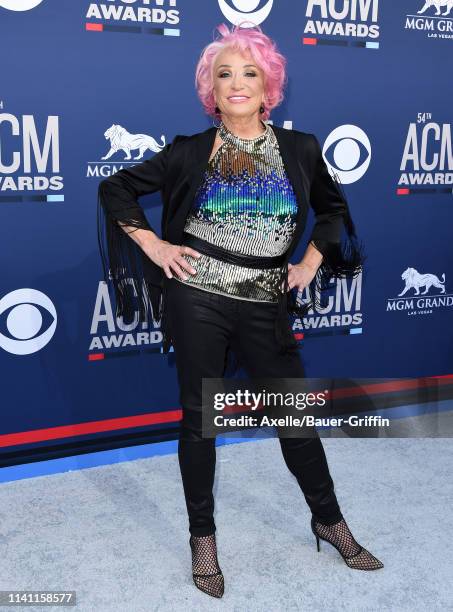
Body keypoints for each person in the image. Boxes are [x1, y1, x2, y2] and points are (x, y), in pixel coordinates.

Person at [97, 22, 384, 599]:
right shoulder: (189, 150)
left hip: (265, 303)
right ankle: (202, 541)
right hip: (197, 297)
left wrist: (307, 264)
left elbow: (331, 212)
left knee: (295, 420)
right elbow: (115, 190)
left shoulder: (302, 150)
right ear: (211, 88)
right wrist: (154, 246)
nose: (236, 83)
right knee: (200, 421)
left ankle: (328, 521)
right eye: (223, 73)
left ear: (268, 84)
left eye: (248, 72)